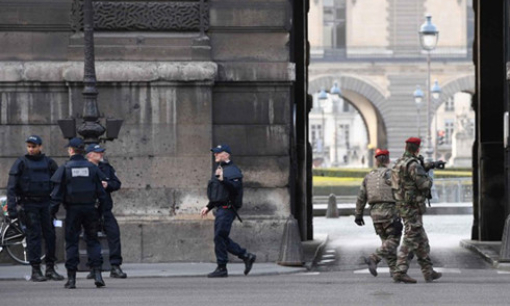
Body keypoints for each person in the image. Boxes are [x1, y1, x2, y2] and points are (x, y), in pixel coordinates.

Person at [50, 137, 109, 289]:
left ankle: (71, 279)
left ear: (71, 150)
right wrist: (101, 212)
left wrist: (51, 213)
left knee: (71, 242)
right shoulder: (93, 168)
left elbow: (56, 194)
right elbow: (101, 193)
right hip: (90, 209)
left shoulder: (65, 168)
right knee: (93, 240)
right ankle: (97, 274)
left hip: (73, 210)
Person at [6, 135, 64, 282]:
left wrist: (55, 203)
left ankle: (50, 268)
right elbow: (11, 188)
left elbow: (58, 184)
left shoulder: (49, 162)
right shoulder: (21, 163)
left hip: (46, 204)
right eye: (29, 146)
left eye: (33, 146)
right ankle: (36, 269)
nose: (30, 149)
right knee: (34, 236)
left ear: (40, 147)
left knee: (50, 236)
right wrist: (12, 209)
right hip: (29, 204)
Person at [390, 137, 442, 283]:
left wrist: (427, 165)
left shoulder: (399, 163)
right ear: (417, 148)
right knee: (410, 237)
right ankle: (400, 270)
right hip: (412, 206)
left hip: (402, 205)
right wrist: (429, 178)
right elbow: (423, 184)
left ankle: (428, 271)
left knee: (422, 240)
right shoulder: (413, 164)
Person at [200, 144, 256, 278]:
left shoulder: (232, 170)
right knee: (221, 237)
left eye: (218, 153)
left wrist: (223, 180)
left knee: (219, 236)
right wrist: (209, 206)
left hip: (228, 209)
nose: (215, 155)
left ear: (226, 155)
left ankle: (223, 267)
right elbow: (218, 193)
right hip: (221, 208)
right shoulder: (220, 169)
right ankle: (245, 256)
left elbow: (235, 188)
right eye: (215, 153)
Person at [354, 149, 402, 278]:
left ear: (376, 161)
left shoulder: (368, 177)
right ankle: (374, 258)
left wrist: (358, 214)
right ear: (387, 160)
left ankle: (395, 271)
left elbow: (361, 197)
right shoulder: (392, 174)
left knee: (386, 242)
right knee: (394, 240)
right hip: (390, 212)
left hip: (375, 214)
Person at [85, 143, 127, 279]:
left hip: (105, 209)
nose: (101, 154)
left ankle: (115, 266)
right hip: (90, 209)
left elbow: (117, 183)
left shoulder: (106, 168)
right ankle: (94, 267)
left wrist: (107, 185)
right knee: (91, 238)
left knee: (114, 235)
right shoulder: (84, 168)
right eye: (98, 152)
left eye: (101, 152)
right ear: (90, 155)